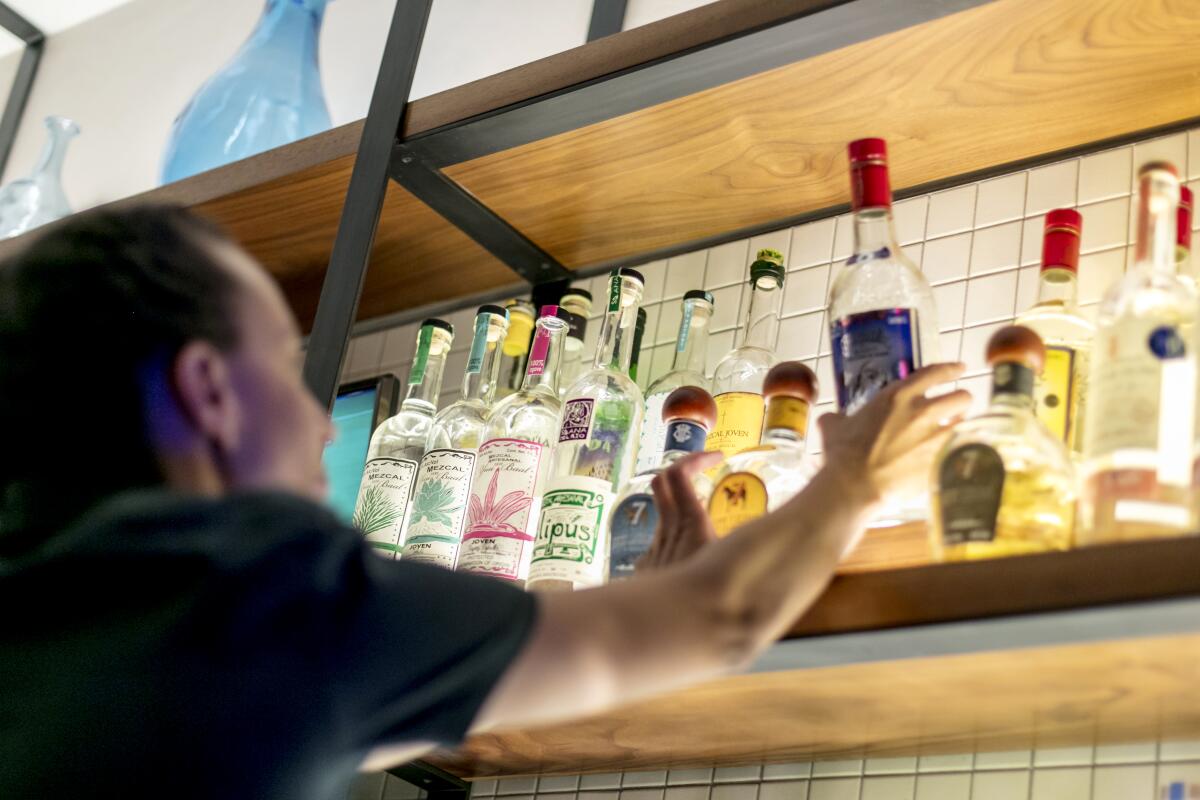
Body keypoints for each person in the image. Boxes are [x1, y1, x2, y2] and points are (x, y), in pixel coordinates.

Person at [0, 205, 970, 799]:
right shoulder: (256, 597)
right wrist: (854, 479)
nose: (325, 427)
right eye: (283, 375)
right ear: (208, 392)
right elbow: (722, 617)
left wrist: (630, 606)